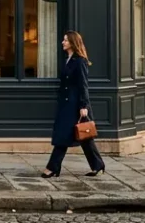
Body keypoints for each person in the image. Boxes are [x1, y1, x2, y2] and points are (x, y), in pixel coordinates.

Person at [42, 30, 106, 178]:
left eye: (65, 40)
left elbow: (83, 85)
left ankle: (53, 167)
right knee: (84, 137)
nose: (63, 42)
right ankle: (98, 164)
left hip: (76, 104)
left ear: (72, 42)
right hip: (66, 102)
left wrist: (83, 106)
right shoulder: (68, 59)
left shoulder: (80, 61)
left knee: (65, 135)